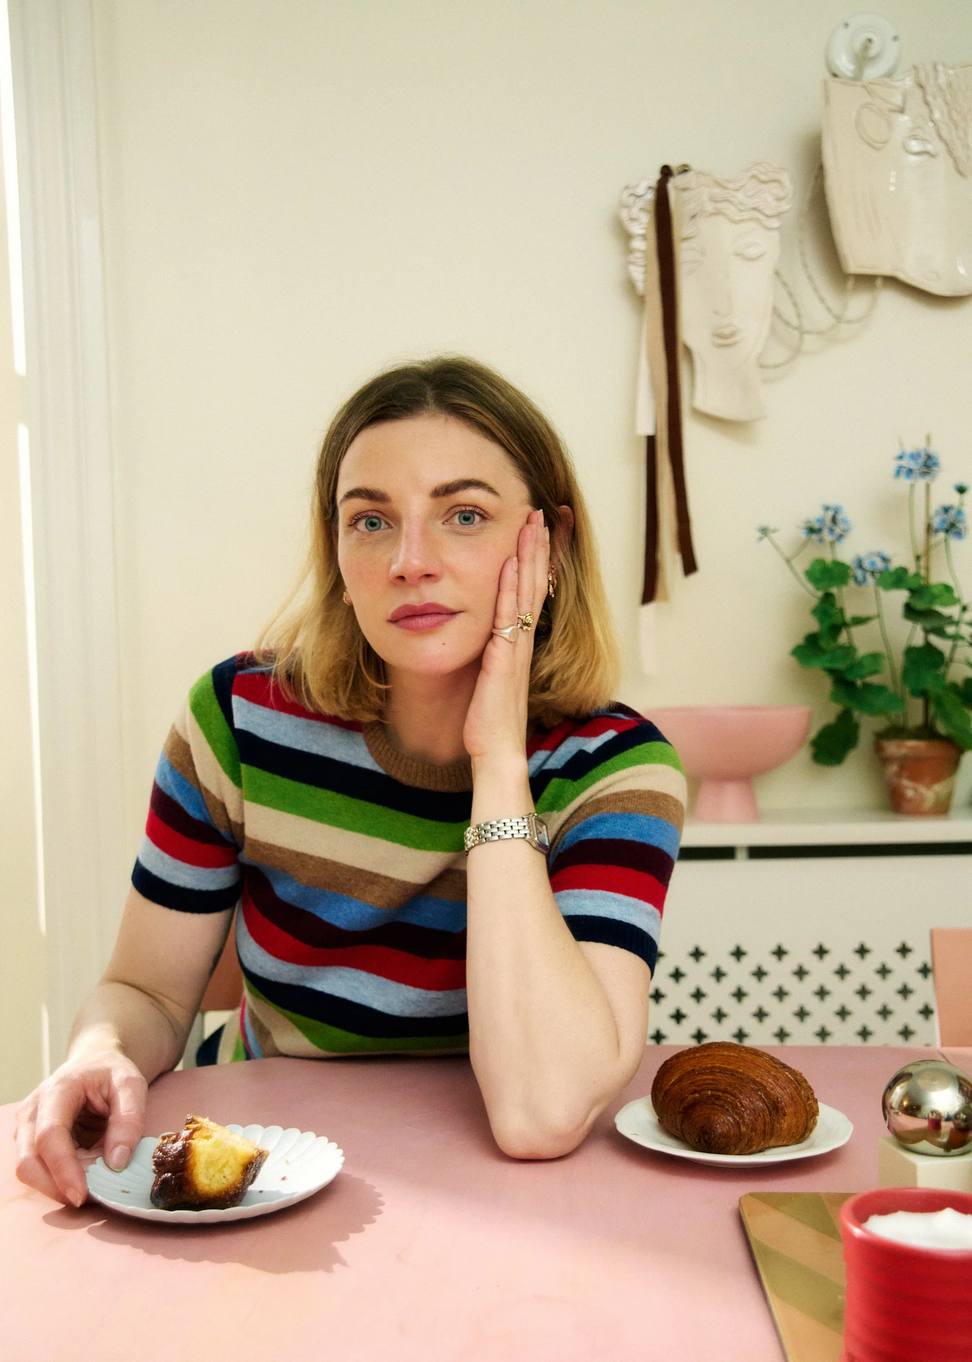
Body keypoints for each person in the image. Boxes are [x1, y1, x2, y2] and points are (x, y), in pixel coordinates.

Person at [16, 356, 685, 1206]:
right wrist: (99, 1051)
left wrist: (497, 764)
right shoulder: (238, 716)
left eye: (464, 514)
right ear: (336, 548)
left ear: (547, 543)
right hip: (269, 1165)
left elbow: (541, 1112)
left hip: (495, 1184)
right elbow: (145, 990)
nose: (410, 561)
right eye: (370, 521)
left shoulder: (617, 770)